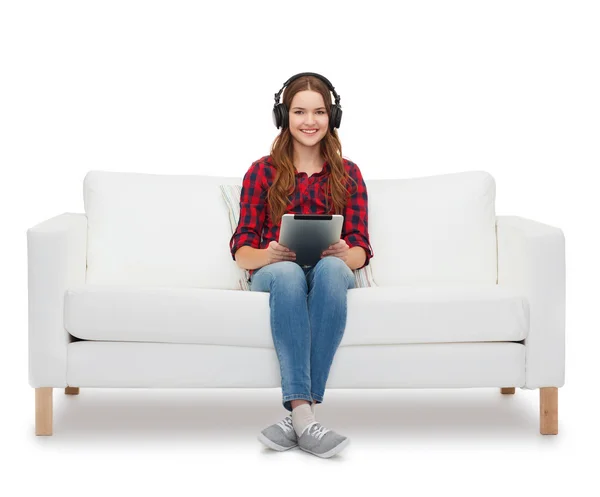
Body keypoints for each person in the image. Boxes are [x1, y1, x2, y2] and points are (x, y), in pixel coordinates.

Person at [229, 72, 373, 458]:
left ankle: (297, 416)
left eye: (319, 112)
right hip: (275, 274)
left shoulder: (350, 174)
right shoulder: (261, 171)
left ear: (333, 117)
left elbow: (361, 250)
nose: (310, 121)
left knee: (330, 272)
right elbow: (242, 250)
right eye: (299, 111)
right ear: (284, 116)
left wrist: (345, 253)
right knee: (289, 272)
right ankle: (307, 416)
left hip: (330, 271)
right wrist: (269, 255)